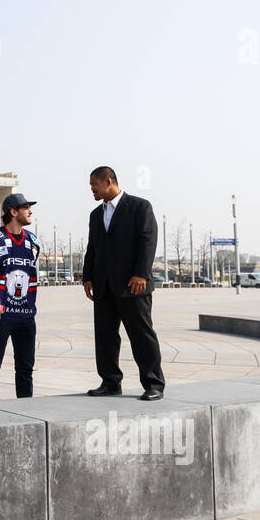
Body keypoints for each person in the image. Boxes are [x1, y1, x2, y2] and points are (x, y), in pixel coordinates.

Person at [82, 166, 166, 400]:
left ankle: (153, 384)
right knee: (105, 336)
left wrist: (141, 273)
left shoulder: (140, 207)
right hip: (103, 286)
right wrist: (87, 277)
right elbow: (93, 248)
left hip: (133, 285)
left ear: (109, 182)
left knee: (141, 335)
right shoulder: (95, 215)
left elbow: (148, 241)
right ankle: (110, 382)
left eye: (94, 185)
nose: (92, 190)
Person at [0, 193, 39, 400]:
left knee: (25, 369)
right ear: (13, 212)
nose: (30, 211)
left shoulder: (33, 242)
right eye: (26, 207)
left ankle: (26, 408)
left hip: (26, 315)